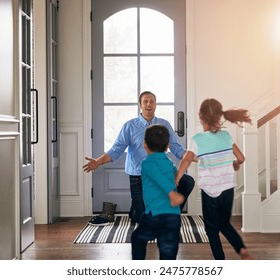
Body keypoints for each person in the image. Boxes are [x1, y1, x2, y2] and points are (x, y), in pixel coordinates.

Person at [83, 91, 195, 224]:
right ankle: (136, 210)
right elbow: (116, 150)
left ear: (155, 105)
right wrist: (97, 161)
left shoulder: (164, 124)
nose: (149, 104)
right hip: (139, 178)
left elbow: (176, 148)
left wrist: (189, 155)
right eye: (145, 101)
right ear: (140, 105)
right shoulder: (129, 126)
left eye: (151, 101)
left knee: (187, 181)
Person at [175, 98, 253, 260]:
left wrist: (177, 178)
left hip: (210, 191)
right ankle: (241, 249)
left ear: (200, 117)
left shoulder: (197, 140)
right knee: (224, 223)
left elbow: (187, 159)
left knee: (211, 230)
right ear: (219, 117)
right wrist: (235, 164)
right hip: (228, 189)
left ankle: (220, 262)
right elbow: (241, 157)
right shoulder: (226, 136)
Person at [131, 124, 184, 260]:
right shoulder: (169, 162)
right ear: (167, 146)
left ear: (144, 145)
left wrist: (171, 193)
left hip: (154, 214)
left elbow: (158, 177)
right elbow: (170, 177)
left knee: (137, 238)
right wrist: (177, 178)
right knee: (168, 251)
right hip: (173, 216)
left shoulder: (147, 163)